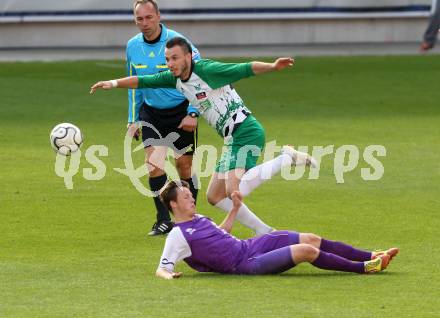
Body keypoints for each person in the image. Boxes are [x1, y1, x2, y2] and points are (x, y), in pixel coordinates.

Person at [90, 37, 317, 236]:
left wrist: (273, 66)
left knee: (233, 190)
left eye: (174, 58)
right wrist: (111, 83)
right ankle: (263, 230)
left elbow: (244, 68)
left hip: (246, 131)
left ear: (188, 56)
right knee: (214, 196)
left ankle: (286, 159)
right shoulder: (174, 78)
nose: (170, 64)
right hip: (231, 139)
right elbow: (143, 81)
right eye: (167, 59)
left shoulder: (207, 70)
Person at [154, 180, 399, 279]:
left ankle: (371, 255)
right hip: (245, 264)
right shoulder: (178, 235)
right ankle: (365, 268)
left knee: (311, 238)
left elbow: (221, 233)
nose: (192, 199)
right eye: (186, 198)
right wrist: (170, 275)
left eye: (190, 195)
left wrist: (235, 208)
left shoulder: (198, 218)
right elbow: (162, 268)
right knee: (305, 251)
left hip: (248, 246)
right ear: (174, 204)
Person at [126, 0, 201, 236]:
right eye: (140, 19)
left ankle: (190, 218)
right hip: (151, 113)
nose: (145, 23)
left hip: (180, 110)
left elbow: (199, 79)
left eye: (149, 17)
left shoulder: (179, 44)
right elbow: (134, 84)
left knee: (184, 167)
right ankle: (162, 220)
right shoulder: (132, 46)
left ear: (159, 16)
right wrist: (133, 118)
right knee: (154, 166)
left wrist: (193, 111)